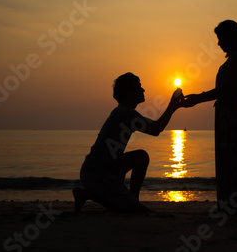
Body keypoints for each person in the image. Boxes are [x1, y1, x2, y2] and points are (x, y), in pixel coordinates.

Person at [74, 72, 184, 213]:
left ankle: (95, 195)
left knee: (141, 157)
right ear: (129, 91)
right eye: (139, 86)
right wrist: (173, 106)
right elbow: (156, 129)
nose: (143, 90)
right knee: (129, 211)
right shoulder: (126, 114)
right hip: (98, 173)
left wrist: (174, 106)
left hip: (101, 170)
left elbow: (155, 128)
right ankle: (118, 200)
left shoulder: (124, 112)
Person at [182, 20, 237, 214]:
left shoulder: (236, 58)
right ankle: (230, 203)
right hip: (227, 113)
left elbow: (224, 89)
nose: (218, 43)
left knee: (233, 158)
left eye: (220, 38)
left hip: (232, 113)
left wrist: (198, 98)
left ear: (229, 37)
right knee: (229, 158)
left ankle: (235, 205)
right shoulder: (233, 58)